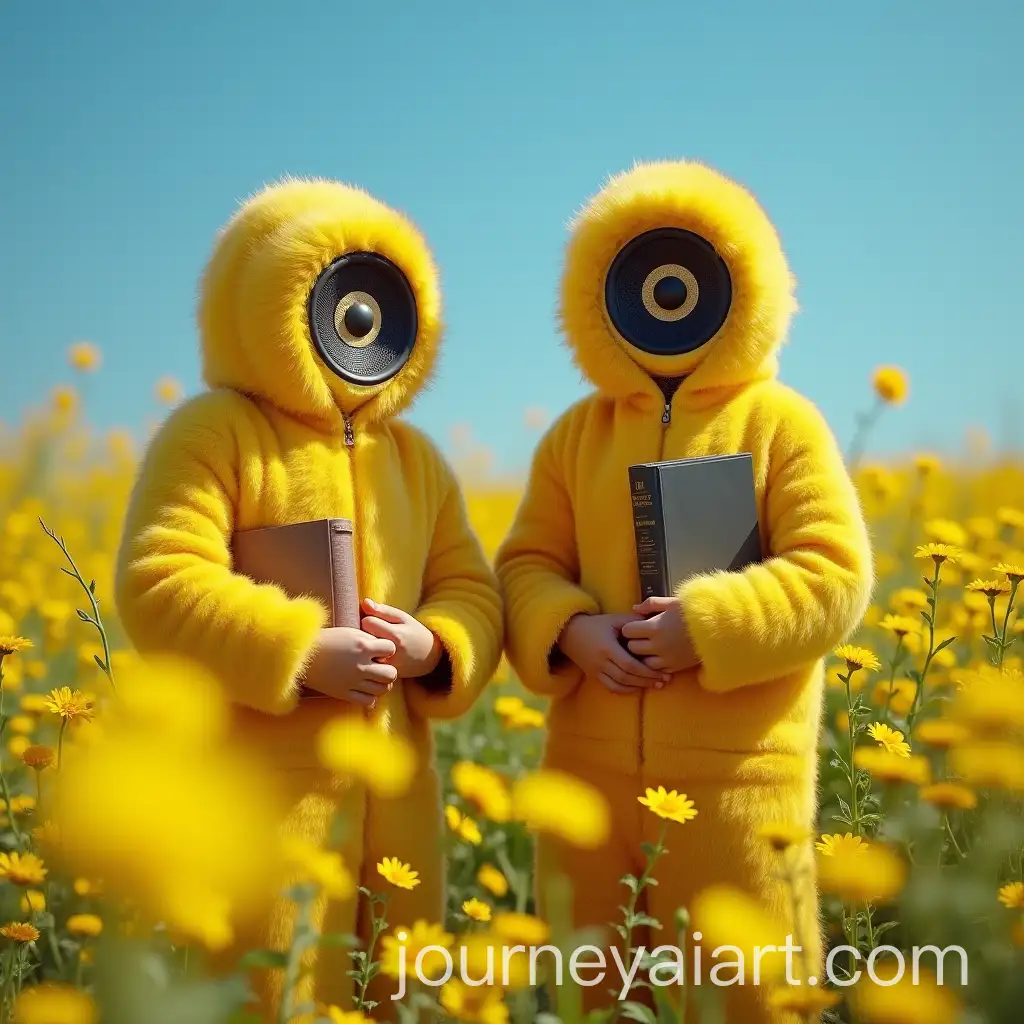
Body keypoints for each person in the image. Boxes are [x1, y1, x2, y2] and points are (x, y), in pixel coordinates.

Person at [115, 178, 503, 1017]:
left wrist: (432, 646)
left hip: (399, 820)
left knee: (395, 998)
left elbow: (473, 592)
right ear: (266, 306)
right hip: (263, 812)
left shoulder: (419, 462)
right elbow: (159, 582)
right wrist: (299, 652)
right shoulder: (216, 432)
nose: (359, 325)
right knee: (271, 997)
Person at [495, 160, 872, 1022]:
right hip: (585, 783)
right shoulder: (573, 437)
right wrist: (573, 632)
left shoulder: (784, 424)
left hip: (741, 792)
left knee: (753, 1001)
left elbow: (835, 575)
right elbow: (522, 570)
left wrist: (708, 625)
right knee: (592, 999)